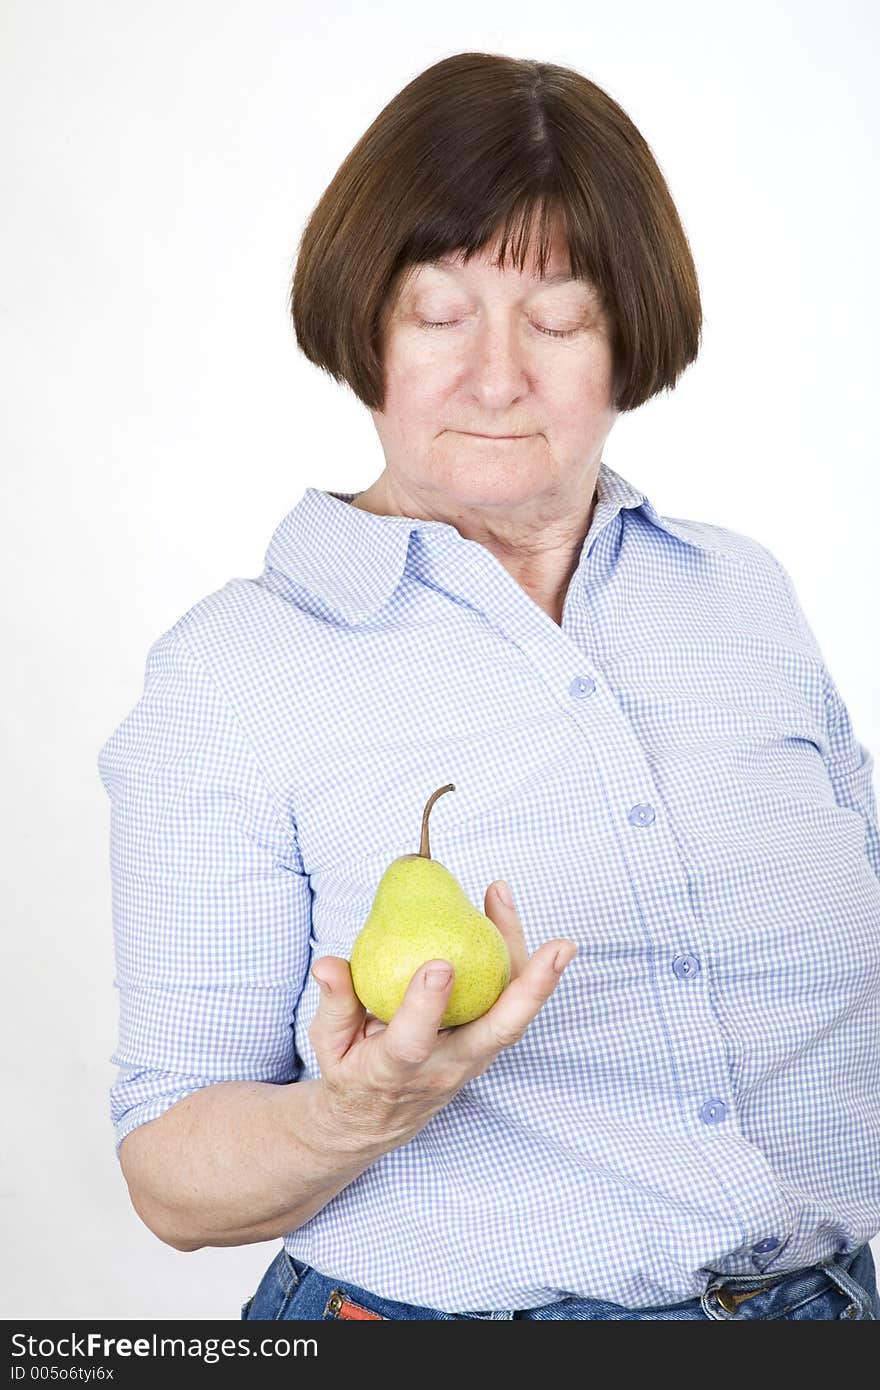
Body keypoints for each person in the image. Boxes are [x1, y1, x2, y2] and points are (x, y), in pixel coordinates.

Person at [97, 51, 880, 1321]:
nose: (499, 374)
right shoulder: (234, 675)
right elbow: (171, 1179)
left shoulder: (742, 596)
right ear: (366, 331)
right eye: (439, 313)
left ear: (630, 339)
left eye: (559, 318)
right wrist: (355, 1112)